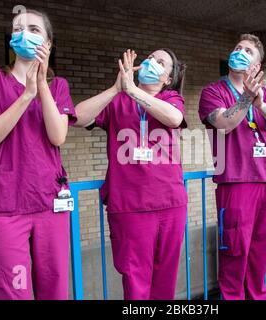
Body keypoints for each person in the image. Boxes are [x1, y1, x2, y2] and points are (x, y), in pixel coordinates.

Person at [0, 9, 76, 300]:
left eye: (33, 29)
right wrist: (26, 94)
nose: (23, 33)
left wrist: (40, 86)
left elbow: (58, 136)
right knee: (12, 291)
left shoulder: (58, 86)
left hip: (49, 202)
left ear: (48, 44)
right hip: (2, 205)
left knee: (54, 289)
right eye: (17, 29)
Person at [75, 48, 188, 300]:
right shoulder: (117, 100)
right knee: (136, 281)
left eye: (160, 62)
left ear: (168, 79)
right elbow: (77, 117)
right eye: (149, 58)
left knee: (165, 280)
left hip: (170, 203)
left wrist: (133, 90)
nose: (150, 63)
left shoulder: (171, 99)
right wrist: (117, 89)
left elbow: (173, 118)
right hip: (130, 205)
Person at [198, 34, 266, 300]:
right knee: (235, 250)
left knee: (261, 250)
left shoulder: (265, 93)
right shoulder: (213, 91)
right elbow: (224, 123)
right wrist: (247, 99)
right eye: (237, 48)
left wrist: (259, 101)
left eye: (248, 51)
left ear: (256, 66)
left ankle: (257, 296)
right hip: (235, 181)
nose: (240, 51)